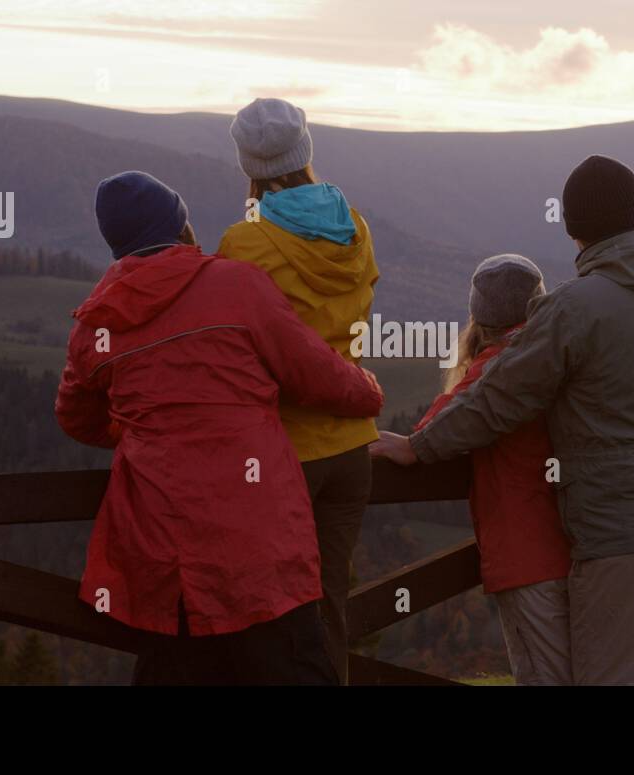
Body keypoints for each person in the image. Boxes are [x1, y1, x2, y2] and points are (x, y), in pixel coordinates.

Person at [372, 155, 634, 685]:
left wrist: (419, 446)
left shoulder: (573, 308)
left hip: (632, 530)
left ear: (574, 234)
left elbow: (496, 399)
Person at [55, 170, 383, 685]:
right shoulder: (237, 284)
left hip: (165, 559)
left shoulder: (98, 323)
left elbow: (75, 415)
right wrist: (368, 390)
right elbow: (314, 373)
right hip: (262, 543)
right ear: (183, 228)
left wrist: (140, 434)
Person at [217, 98, 379, 684]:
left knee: (267, 607)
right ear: (305, 151)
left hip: (282, 454)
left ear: (248, 166)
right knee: (328, 601)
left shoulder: (244, 242)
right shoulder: (355, 226)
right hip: (352, 448)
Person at [376, 254, 574, 685]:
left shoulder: (494, 371)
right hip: (586, 543)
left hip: (527, 553)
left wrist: (409, 446)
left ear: (478, 318)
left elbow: (439, 426)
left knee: (544, 675)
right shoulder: (562, 356)